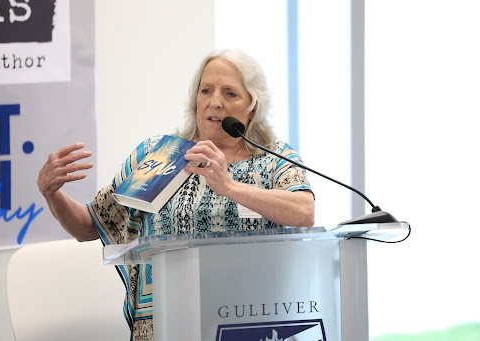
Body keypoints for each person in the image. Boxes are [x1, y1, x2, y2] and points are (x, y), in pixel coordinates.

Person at [37, 49, 315, 340]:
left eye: (230, 93)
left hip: (250, 323)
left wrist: (230, 187)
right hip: (167, 325)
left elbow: (304, 211)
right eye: (206, 90)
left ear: (252, 108)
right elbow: (88, 225)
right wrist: (51, 194)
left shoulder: (273, 157)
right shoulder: (158, 155)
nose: (215, 102)